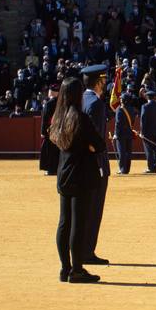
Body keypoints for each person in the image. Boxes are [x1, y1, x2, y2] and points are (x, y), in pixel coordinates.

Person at [50, 76, 102, 284]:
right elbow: (99, 145)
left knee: (64, 222)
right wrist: (89, 147)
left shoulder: (59, 117)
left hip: (64, 173)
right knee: (78, 224)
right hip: (81, 175)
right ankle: (77, 269)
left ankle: (65, 268)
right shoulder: (79, 117)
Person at [80, 65, 113, 265]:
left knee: (83, 209)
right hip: (95, 165)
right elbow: (97, 141)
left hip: (79, 164)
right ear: (99, 82)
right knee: (93, 210)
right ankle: (87, 251)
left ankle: (80, 249)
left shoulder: (80, 99)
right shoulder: (96, 104)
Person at [140, 88, 156, 173]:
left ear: (147, 97)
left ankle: (150, 168)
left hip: (147, 133)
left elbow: (143, 121)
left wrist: (142, 132)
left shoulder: (145, 106)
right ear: (154, 97)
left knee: (149, 150)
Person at [112, 91, 137, 176]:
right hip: (129, 133)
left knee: (121, 151)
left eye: (121, 99)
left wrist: (115, 134)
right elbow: (132, 122)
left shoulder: (120, 109)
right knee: (128, 152)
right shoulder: (132, 109)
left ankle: (122, 169)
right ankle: (127, 169)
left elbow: (118, 123)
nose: (120, 100)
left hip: (121, 134)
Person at [37, 83, 59, 174]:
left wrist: (43, 131)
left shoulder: (49, 103)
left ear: (52, 92)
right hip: (59, 129)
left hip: (50, 130)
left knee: (49, 150)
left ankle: (50, 169)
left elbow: (45, 119)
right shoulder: (62, 102)